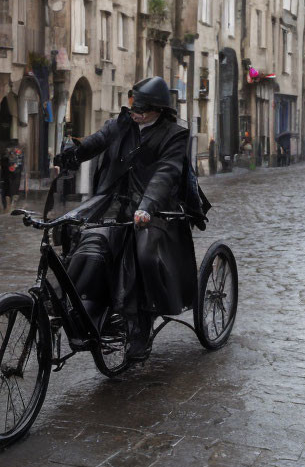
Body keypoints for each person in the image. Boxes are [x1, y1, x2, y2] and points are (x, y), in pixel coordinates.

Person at [54, 76, 210, 360]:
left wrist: (147, 205)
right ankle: (78, 305)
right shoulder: (120, 124)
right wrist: (71, 155)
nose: (136, 113)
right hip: (113, 202)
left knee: (145, 254)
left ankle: (141, 324)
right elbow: (95, 142)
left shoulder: (174, 134)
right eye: (134, 106)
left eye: (143, 109)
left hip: (156, 210)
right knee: (85, 238)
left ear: (159, 110)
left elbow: (166, 173)